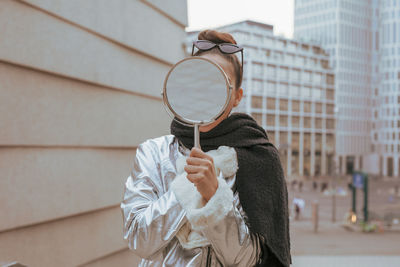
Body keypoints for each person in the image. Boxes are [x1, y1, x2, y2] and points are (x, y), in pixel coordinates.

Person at [120, 29, 291, 267]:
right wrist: (186, 189)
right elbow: (139, 241)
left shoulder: (257, 158)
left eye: (219, 83)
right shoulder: (153, 153)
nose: (206, 92)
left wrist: (214, 195)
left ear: (236, 97)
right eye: (198, 81)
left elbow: (249, 260)